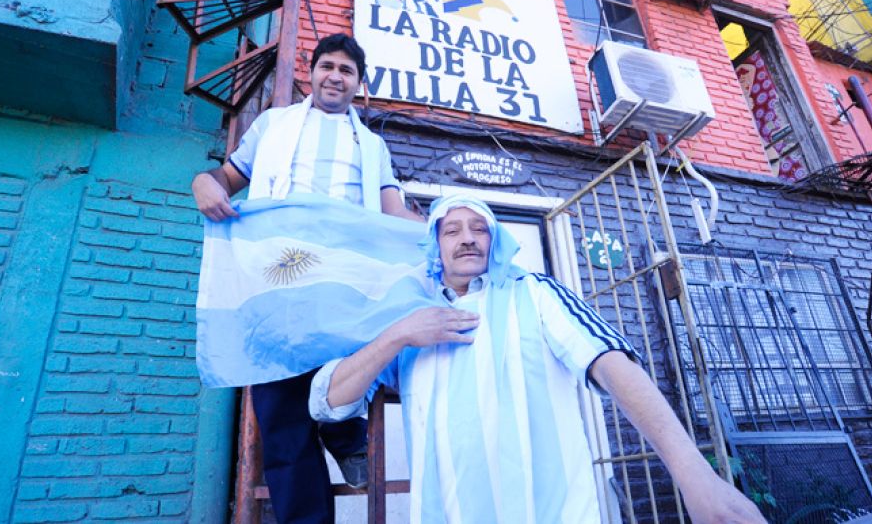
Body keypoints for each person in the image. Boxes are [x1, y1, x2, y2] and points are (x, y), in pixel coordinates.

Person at [309, 194, 767, 524]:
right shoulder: (410, 321)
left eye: (479, 228)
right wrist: (399, 334)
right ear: (435, 246)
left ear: (497, 240)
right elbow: (326, 401)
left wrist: (694, 475)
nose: (467, 239)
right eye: (451, 230)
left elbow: (612, 364)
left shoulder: (536, 292)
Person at [191, 33, 423, 524]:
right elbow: (226, 179)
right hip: (277, 277)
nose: (335, 76)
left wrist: (442, 233)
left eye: (346, 70)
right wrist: (201, 184)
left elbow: (392, 210)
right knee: (279, 411)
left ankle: (346, 439)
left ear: (359, 84)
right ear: (312, 73)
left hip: (341, 279)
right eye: (327, 66)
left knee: (349, 369)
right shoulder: (273, 126)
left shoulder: (372, 144)